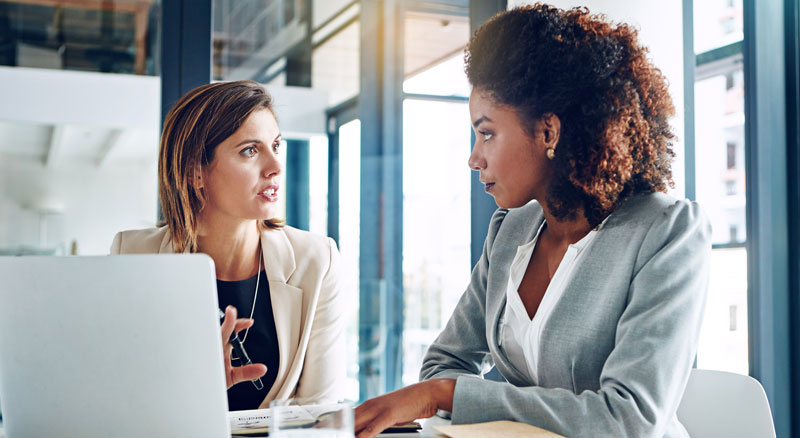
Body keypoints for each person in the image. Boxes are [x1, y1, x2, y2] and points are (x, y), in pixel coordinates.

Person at [355, 4, 711, 438]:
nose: (474, 157)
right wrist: (444, 390)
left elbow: (627, 419)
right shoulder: (510, 230)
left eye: (487, 133)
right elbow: (443, 364)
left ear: (548, 132)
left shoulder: (666, 231)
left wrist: (450, 395)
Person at [110, 80, 345, 410]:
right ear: (195, 171)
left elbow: (319, 414)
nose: (276, 167)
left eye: (276, 146)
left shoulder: (317, 260)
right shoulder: (133, 256)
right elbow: (123, 405)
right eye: (250, 150)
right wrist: (197, 391)